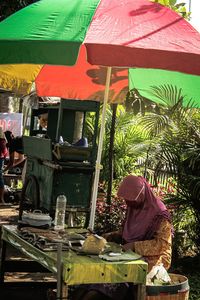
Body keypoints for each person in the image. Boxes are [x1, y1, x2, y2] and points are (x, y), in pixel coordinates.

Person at [72, 175, 172, 300]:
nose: (128, 203)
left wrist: (134, 246)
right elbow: (128, 232)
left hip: (155, 258)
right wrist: (108, 236)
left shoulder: (159, 214)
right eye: (126, 200)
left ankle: (99, 294)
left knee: (115, 275)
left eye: (131, 200)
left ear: (142, 195)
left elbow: (161, 245)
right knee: (97, 268)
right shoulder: (134, 208)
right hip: (129, 253)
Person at [0, 128, 8, 205]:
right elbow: (5, 153)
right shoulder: (3, 141)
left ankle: (2, 199)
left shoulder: (2, 141)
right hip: (1, 158)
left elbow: (4, 152)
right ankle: (1, 199)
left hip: (0, 159)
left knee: (0, 178)